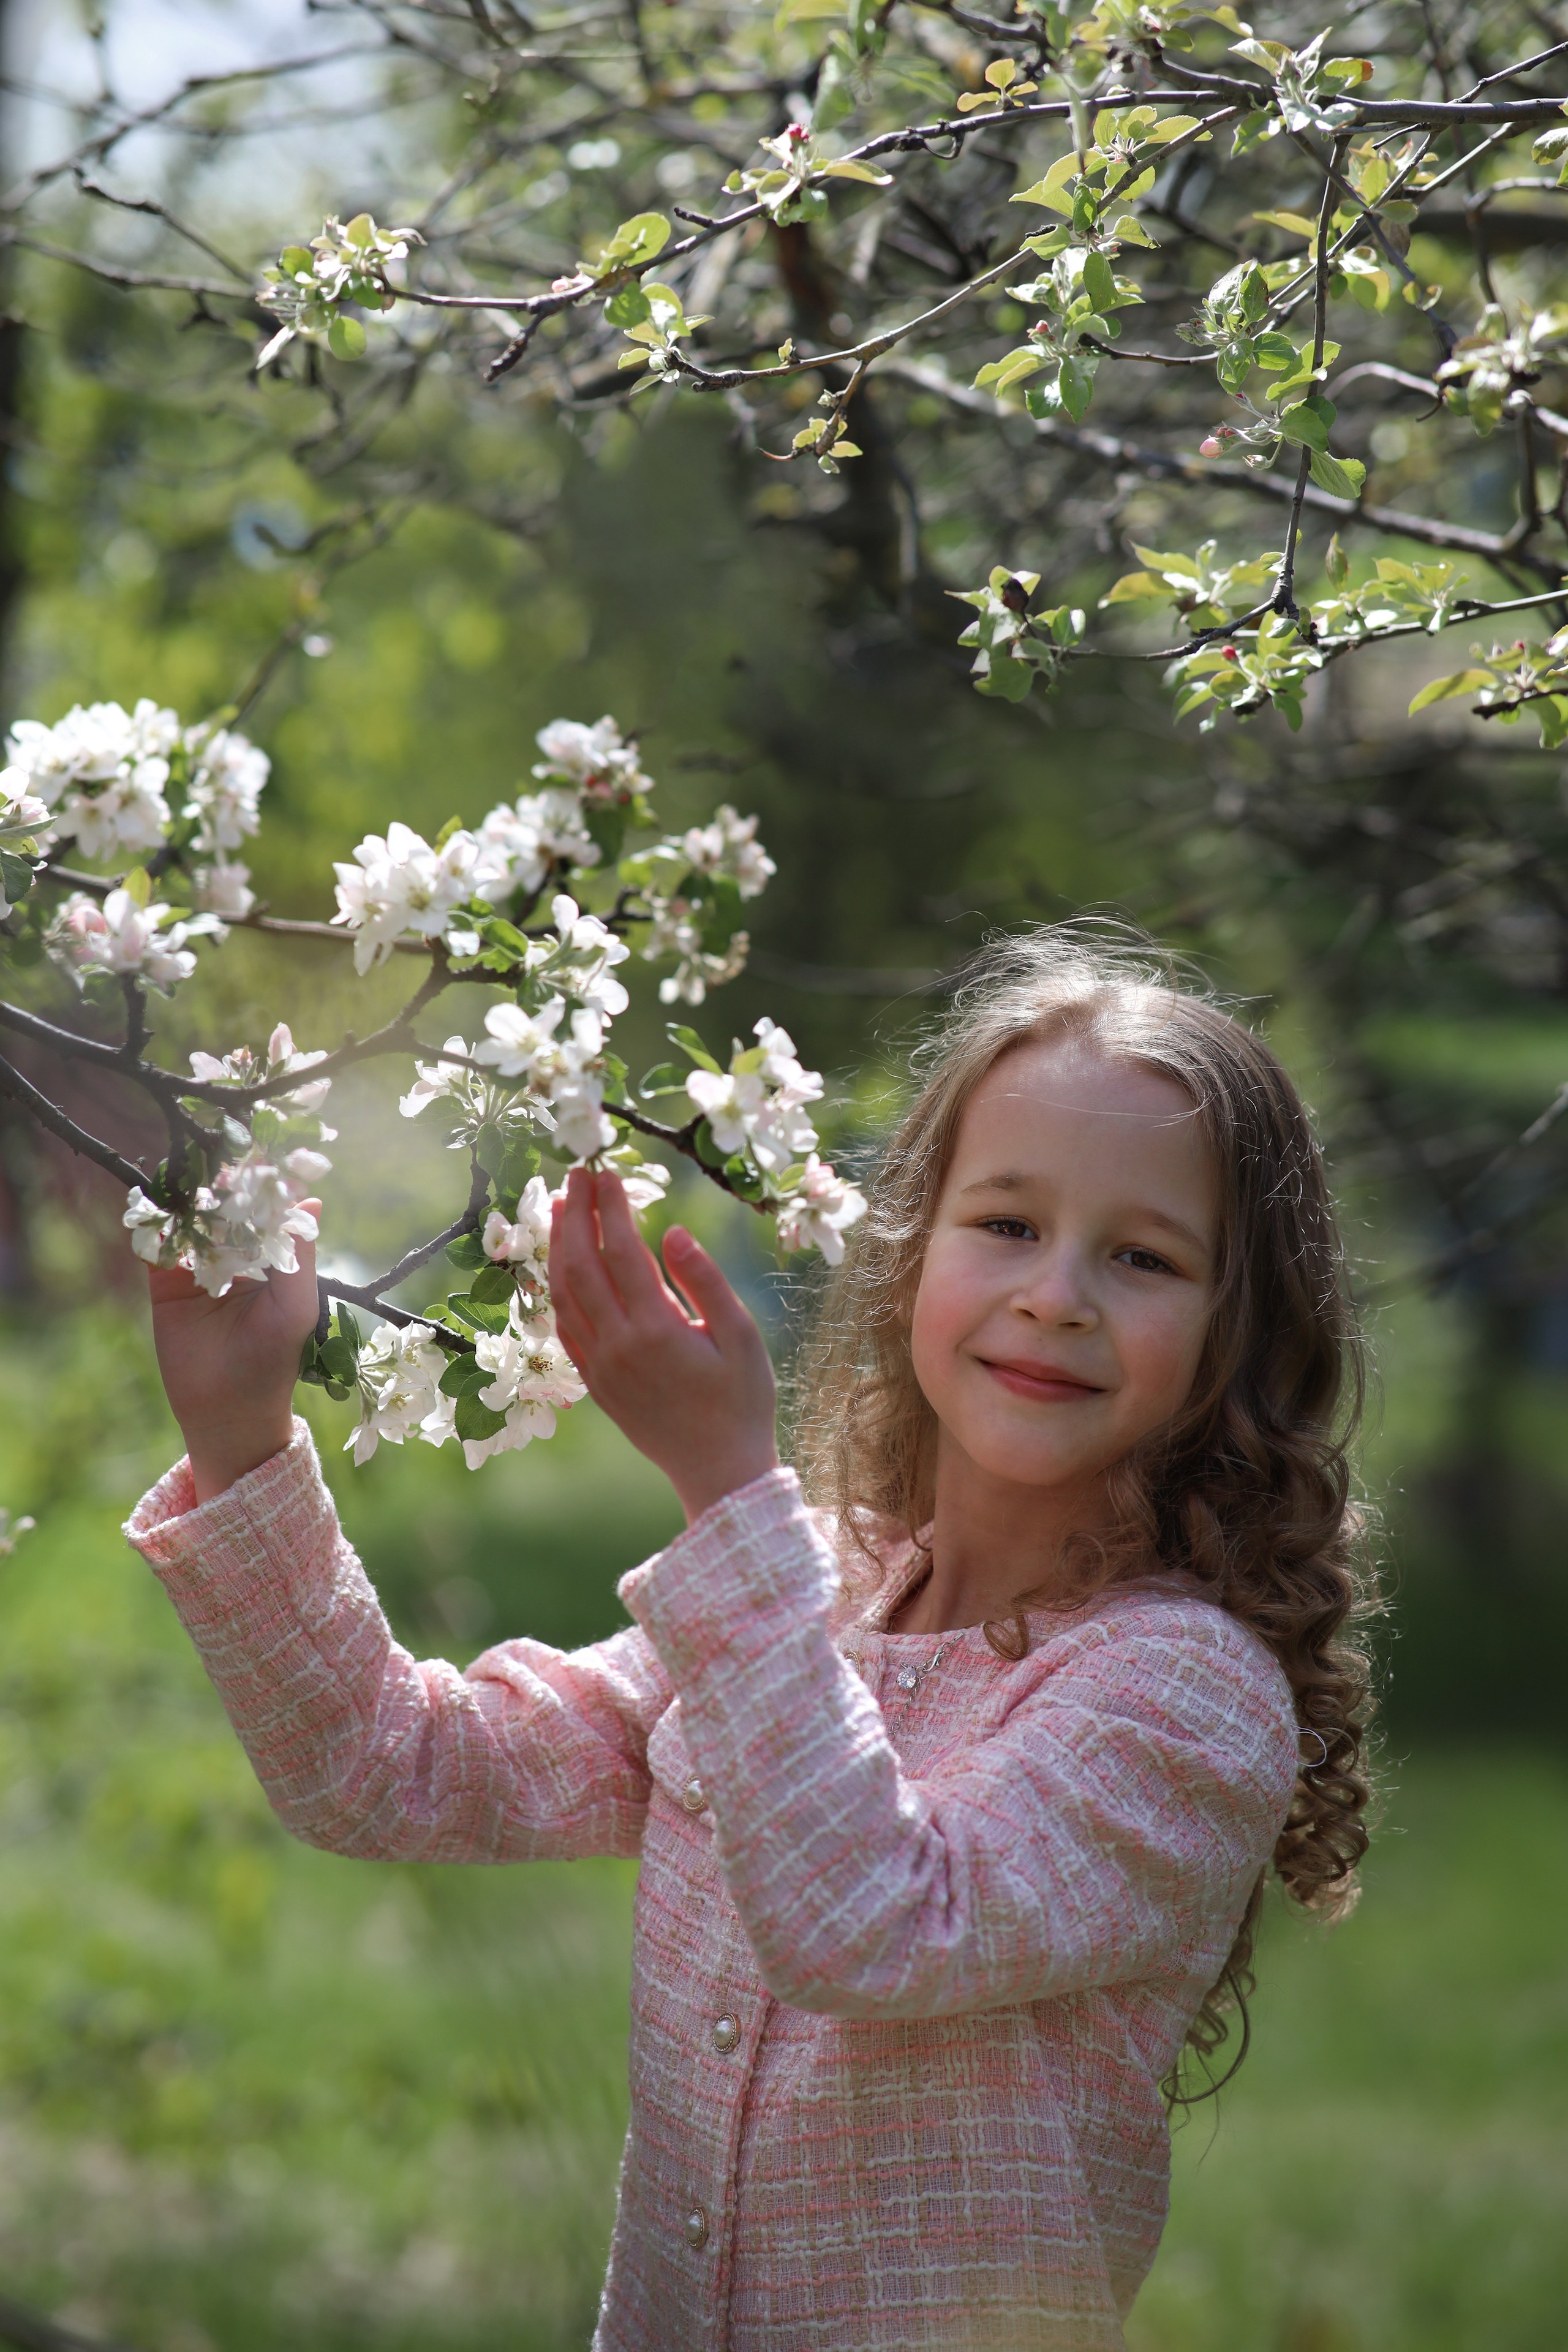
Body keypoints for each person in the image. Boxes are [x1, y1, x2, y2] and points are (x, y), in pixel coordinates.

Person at [126, 925, 1376, 2351]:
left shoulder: (1182, 1696)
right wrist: (239, 1436)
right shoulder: (815, 1589)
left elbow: (872, 1920)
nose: (1055, 1294)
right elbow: (387, 1771)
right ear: (911, 1251)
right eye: (1007, 1225)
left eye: (1143, 1255)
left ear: (1242, 1330)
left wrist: (725, 1491)